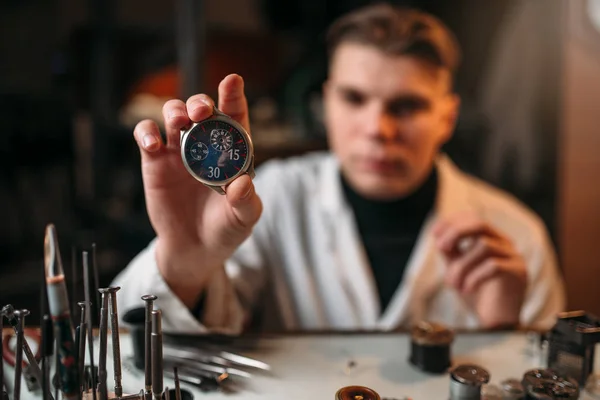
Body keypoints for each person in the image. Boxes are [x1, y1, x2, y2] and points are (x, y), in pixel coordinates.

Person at [113, 3, 565, 333]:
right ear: (325, 103)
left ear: (447, 117)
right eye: (354, 98)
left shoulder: (517, 235)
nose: (377, 129)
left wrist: (504, 332)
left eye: (406, 106)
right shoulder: (273, 198)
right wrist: (184, 261)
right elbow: (123, 338)